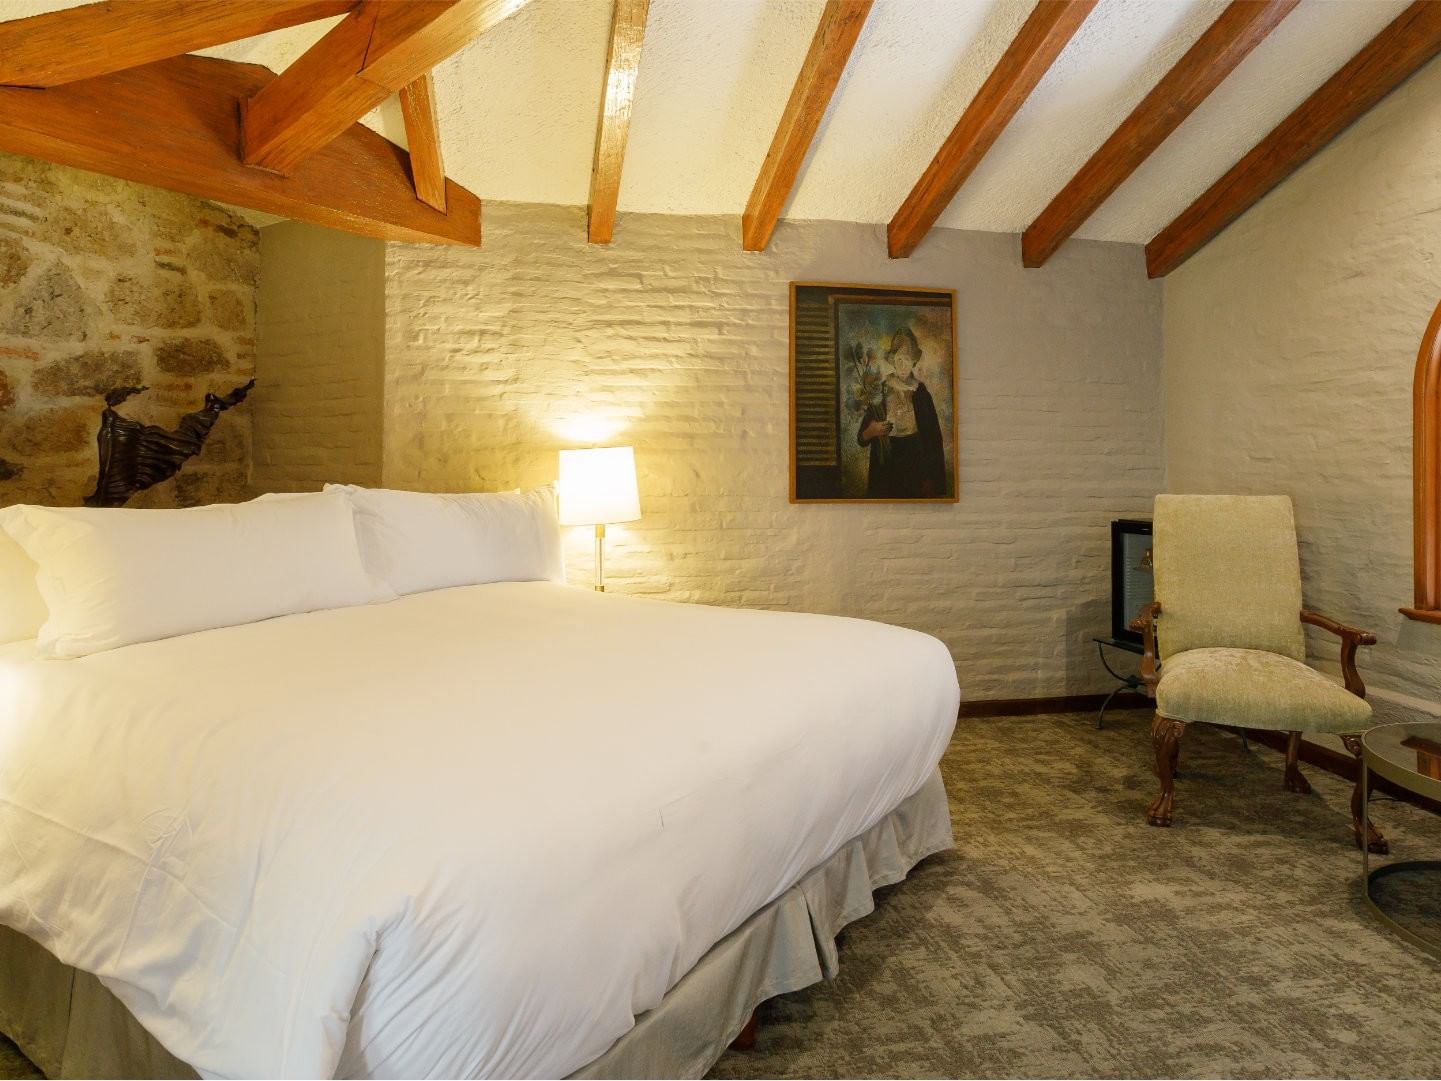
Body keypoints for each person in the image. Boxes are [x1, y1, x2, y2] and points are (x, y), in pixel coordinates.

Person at [856, 326, 947, 498]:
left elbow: (933, 440)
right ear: (892, 360)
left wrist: (931, 479)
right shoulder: (880, 390)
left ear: (913, 361)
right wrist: (871, 431)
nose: (902, 364)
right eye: (898, 359)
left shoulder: (921, 394)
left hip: (915, 463)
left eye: (907, 358)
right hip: (886, 466)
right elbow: (861, 438)